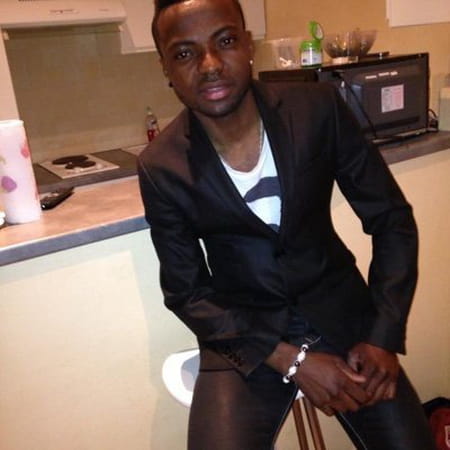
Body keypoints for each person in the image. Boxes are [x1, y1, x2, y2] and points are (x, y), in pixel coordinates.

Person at [137, 0, 436, 448]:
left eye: (225, 41)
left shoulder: (317, 109)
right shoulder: (162, 166)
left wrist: (383, 335)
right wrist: (291, 360)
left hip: (346, 319)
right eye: (185, 53)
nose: (210, 65)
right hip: (247, 339)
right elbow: (187, 292)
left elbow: (391, 219)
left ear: (248, 45)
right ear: (165, 68)